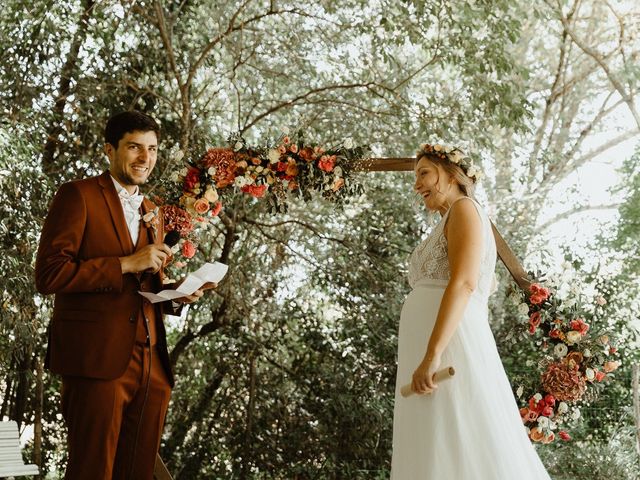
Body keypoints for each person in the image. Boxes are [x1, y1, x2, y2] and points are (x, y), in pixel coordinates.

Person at [35, 110, 213, 479]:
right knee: (92, 470)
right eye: (134, 147)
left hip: (152, 367)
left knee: (136, 472)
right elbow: (49, 275)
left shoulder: (153, 212)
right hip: (97, 359)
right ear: (110, 150)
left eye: (152, 149)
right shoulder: (78, 196)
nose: (145, 158)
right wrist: (124, 264)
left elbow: (145, 286)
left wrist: (178, 295)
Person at [391, 144, 551, 479]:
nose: (417, 184)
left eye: (424, 173)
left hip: (449, 347)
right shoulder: (447, 219)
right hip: (427, 351)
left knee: (466, 438)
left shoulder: (464, 208)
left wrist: (432, 354)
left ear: (452, 175)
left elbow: (464, 283)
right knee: (438, 442)